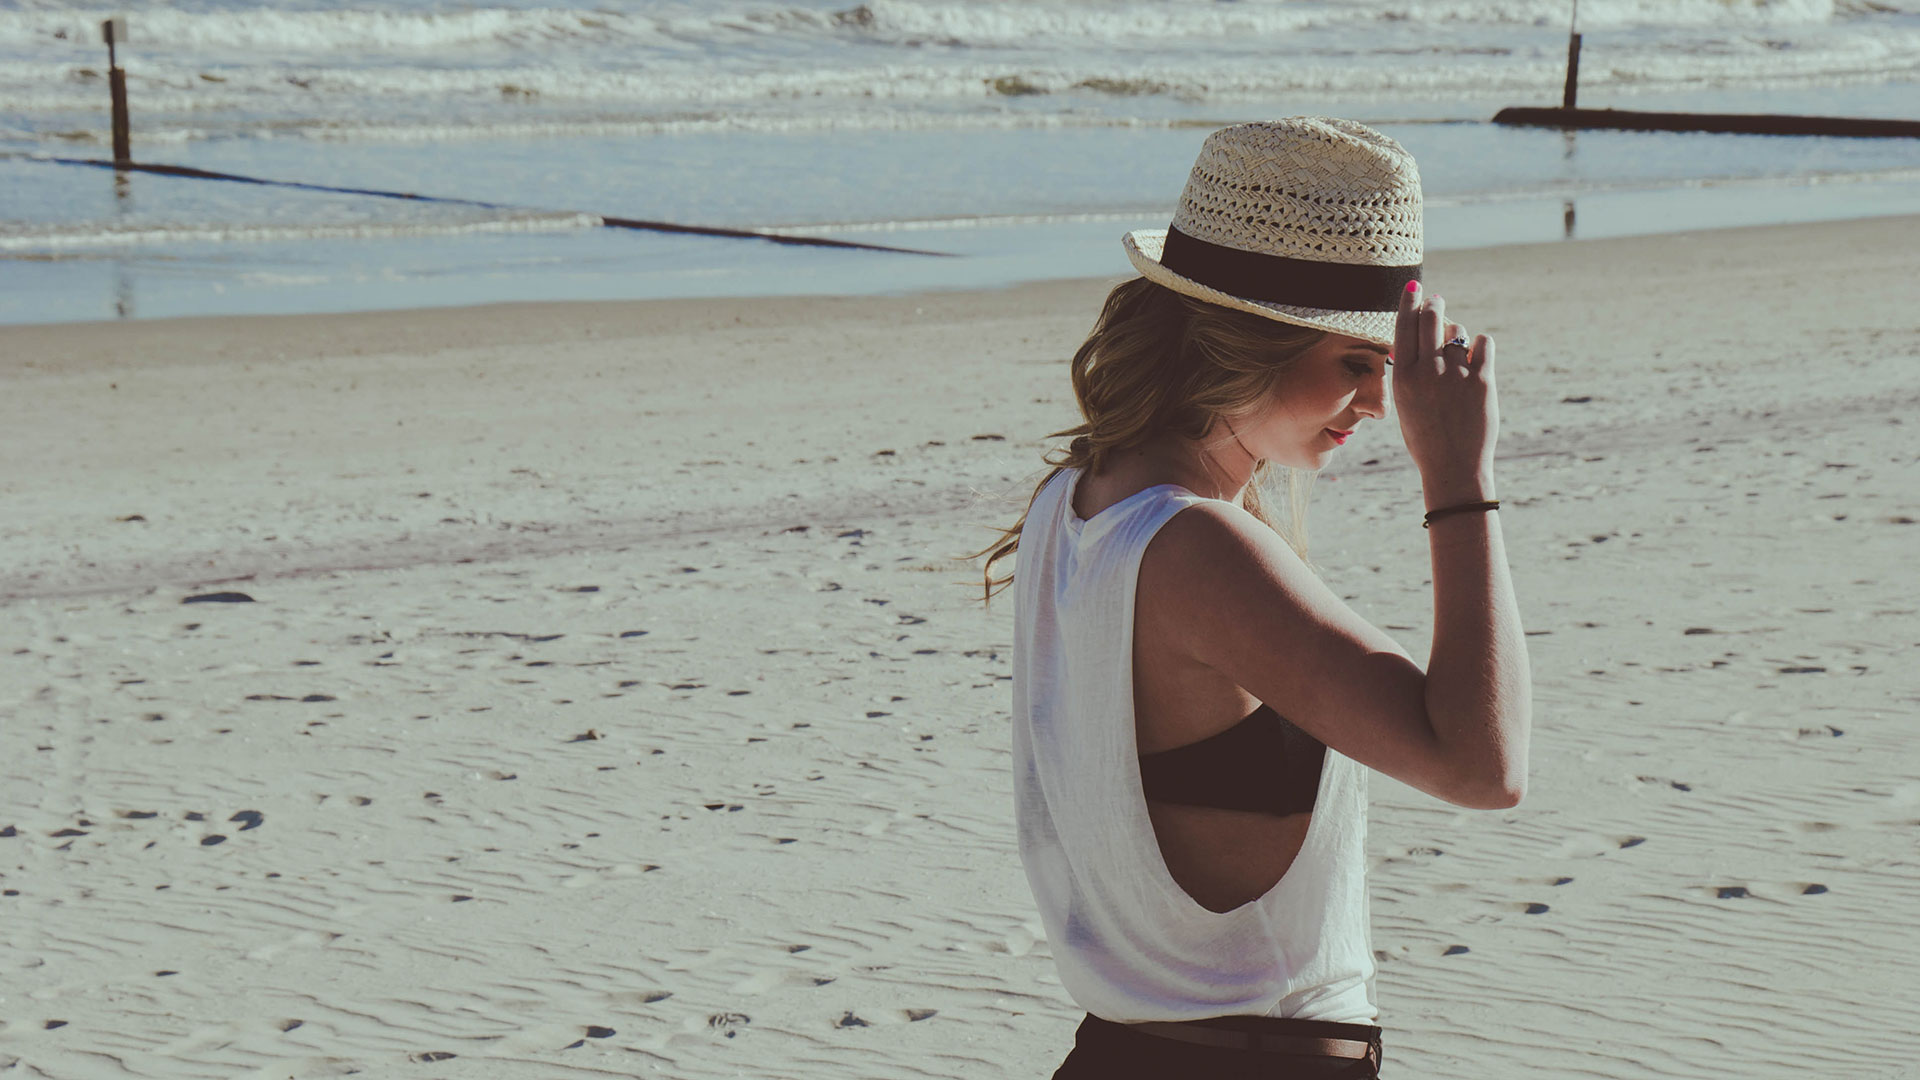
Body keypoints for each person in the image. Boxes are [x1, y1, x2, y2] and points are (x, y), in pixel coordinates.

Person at [968, 118, 1533, 1077]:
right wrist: (1458, 479)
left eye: (1385, 368)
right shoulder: (1197, 547)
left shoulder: (1076, 499)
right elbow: (1486, 768)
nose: (1376, 405)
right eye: (1353, 363)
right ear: (1241, 344)